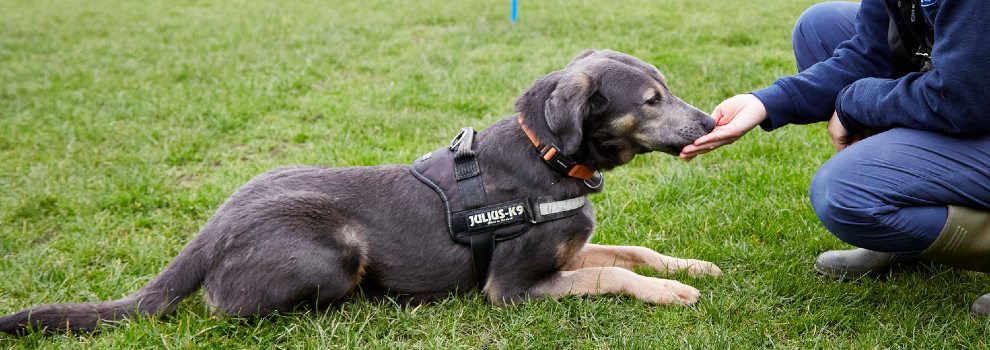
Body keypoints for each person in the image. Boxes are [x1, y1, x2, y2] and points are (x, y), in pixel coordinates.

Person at [680, 0, 990, 314]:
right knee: (820, 28)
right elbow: (869, 53)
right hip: (973, 93)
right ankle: (903, 235)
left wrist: (855, 101)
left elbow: (963, 97)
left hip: (972, 98)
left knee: (845, 192)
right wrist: (766, 102)